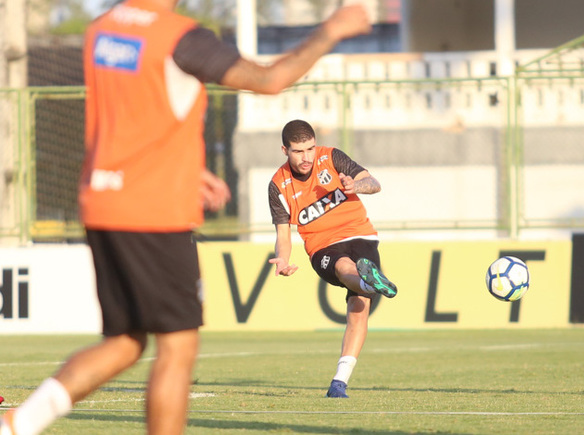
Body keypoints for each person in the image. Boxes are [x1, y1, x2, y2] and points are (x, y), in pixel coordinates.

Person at [0, 1, 370, 434]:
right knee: (177, 346)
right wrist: (333, 29)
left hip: (102, 201)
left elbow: (134, 111)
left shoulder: (102, 29)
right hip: (151, 211)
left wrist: (184, 169)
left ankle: (17, 424)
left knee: (125, 343)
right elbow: (271, 79)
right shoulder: (178, 37)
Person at [268, 119, 397, 399]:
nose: (306, 157)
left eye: (310, 149)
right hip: (322, 246)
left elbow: (374, 183)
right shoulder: (278, 185)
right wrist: (282, 258)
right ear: (285, 150)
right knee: (342, 266)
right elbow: (283, 233)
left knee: (359, 307)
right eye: (298, 151)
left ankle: (339, 382)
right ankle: (369, 282)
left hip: (360, 234)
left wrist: (356, 186)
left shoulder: (332, 158)